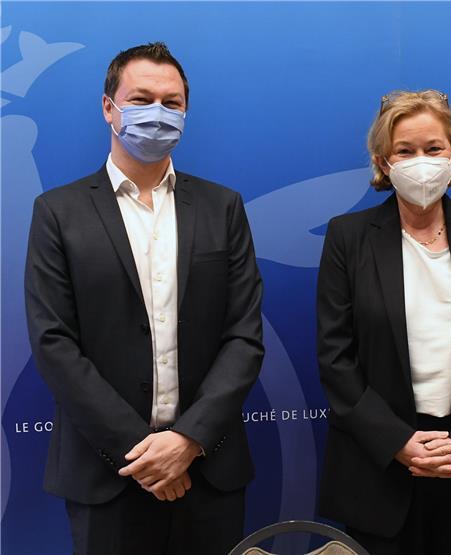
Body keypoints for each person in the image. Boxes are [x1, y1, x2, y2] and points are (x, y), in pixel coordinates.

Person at [24, 42, 264, 555]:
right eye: (141, 98)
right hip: (106, 475)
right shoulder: (58, 212)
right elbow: (54, 343)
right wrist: (142, 452)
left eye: (171, 102)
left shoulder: (223, 208)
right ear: (109, 107)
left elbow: (244, 335)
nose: (158, 112)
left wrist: (187, 441)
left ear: (185, 112)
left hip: (209, 471)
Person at [316, 90, 451, 554]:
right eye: (405, 151)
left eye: (433, 149)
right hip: (381, 470)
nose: (421, 161)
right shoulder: (347, 237)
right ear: (383, 162)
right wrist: (398, 442)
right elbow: (336, 358)